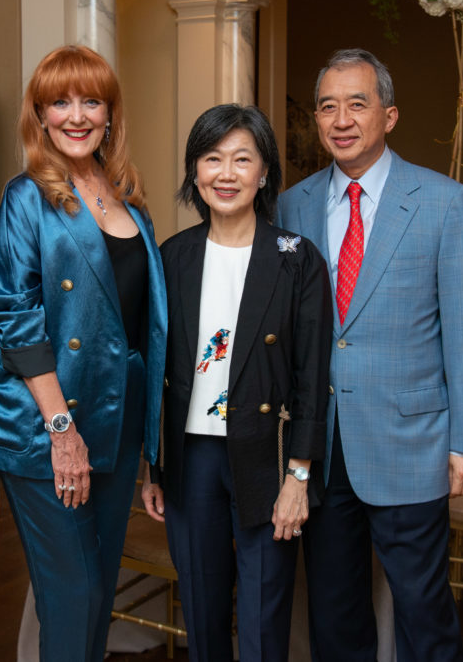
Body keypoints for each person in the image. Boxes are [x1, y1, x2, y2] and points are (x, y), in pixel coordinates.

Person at [276, 48, 463, 661]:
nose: (341, 120)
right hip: (321, 447)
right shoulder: (292, 205)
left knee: (423, 610)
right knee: (334, 612)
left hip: (410, 441)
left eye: (357, 104)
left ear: (389, 116)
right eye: (328, 107)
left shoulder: (443, 201)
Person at [0, 45, 167, 662]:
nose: (77, 115)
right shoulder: (25, 198)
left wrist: (152, 447)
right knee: (73, 595)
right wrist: (62, 432)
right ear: (40, 115)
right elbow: (17, 319)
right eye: (60, 102)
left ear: (111, 114)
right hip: (45, 427)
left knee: (99, 592)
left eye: (91, 102)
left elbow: (142, 325)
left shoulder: (129, 197)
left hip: (114, 419)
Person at [142, 104, 332, 661]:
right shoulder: (172, 257)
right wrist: (154, 466)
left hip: (266, 455)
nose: (226, 174)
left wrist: (299, 475)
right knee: (201, 613)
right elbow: (156, 371)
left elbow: (312, 377)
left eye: (242, 159)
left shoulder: (296, 260)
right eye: (212, 159)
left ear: (264, 172)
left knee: (263, 616)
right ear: (195, 171)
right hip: (191, 458)